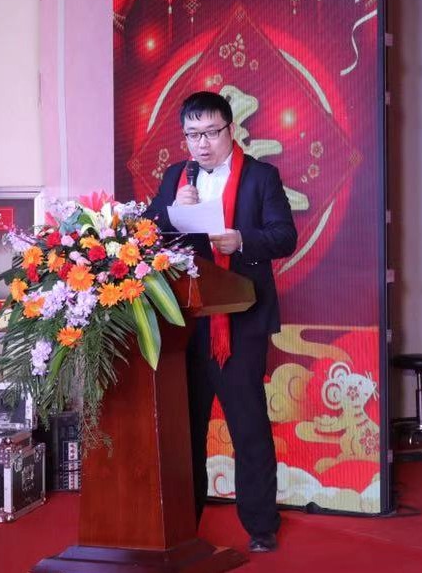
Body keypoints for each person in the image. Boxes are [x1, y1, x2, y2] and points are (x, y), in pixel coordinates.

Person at [144, 91, 297, 553]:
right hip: (186, 324)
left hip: (240, 322)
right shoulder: (176, 176)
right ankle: (182, 523)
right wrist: (172, 211)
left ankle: (261, 526)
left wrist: (242, 240)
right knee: (185, 428)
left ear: (231, 130)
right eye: (193, 135)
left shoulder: (261, 177)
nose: (202, 144)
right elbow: (148, 232)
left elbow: (284, 236)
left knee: (247, 425)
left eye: (211, 133)